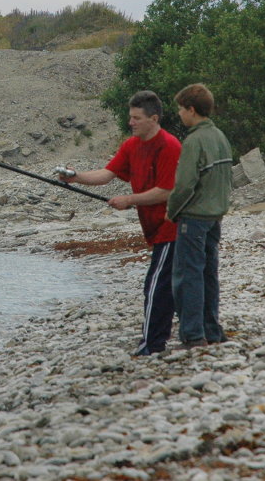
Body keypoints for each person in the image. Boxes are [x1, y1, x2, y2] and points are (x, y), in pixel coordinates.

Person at [58, 90, 181, 355]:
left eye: (137, 118)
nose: (131, 122)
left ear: (154, 118)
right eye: (130, 117)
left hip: (176, 225)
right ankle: (199, 332)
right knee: (177, 282)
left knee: (156, 285)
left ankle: (152, 345)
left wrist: (129, 200)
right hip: (155, 227)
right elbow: (107, 173)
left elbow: (167, 191)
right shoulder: (131, 145)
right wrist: (76, 177)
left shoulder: (170, 146)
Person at [165, 83, 233, 350]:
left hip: (193, 218)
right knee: (208, 275)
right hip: (215, 217)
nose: (180, 114)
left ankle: (193, 335)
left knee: (188, 276)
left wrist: (171, 212)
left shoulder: (194, 140)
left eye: (181, 109)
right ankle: (212, 330)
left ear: (191, 110)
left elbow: (184, 185)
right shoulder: (220, 136)